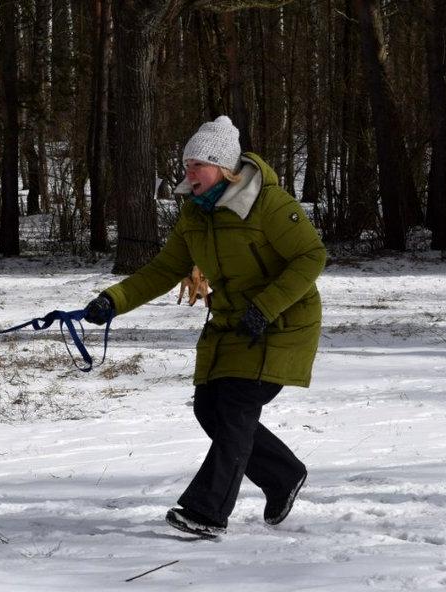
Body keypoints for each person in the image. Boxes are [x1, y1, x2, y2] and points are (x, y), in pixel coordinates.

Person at [83, 116, 327, 538]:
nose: (188, 172)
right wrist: (113, 300)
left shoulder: (268, 203)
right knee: (209, 408)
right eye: (186, 164)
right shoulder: (195, 214)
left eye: (198, 164)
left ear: (224, 167)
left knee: (234, 409)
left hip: (283, 322)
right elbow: (164, 269)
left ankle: (208, 512)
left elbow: (311, 257)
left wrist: (266, 306)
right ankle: (283, 475)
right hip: (234, 323)